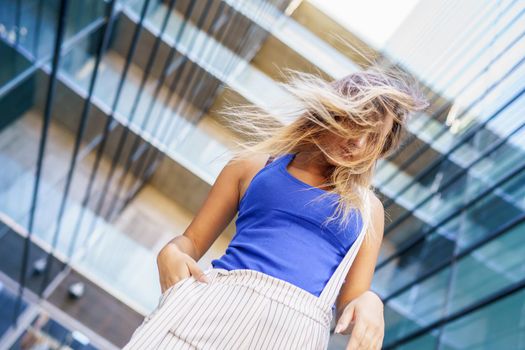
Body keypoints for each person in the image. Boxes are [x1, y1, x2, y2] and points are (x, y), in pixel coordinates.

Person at [123, 65, 428, 349]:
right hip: (214, 307)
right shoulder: (251, 166)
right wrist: (171, 253)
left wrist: (371, 302)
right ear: (330, 113)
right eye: (354, 122)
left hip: (293, 336)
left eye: (374, 137)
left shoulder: (367, 210)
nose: (359, 143)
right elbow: (190, 242)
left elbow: (349, 305)